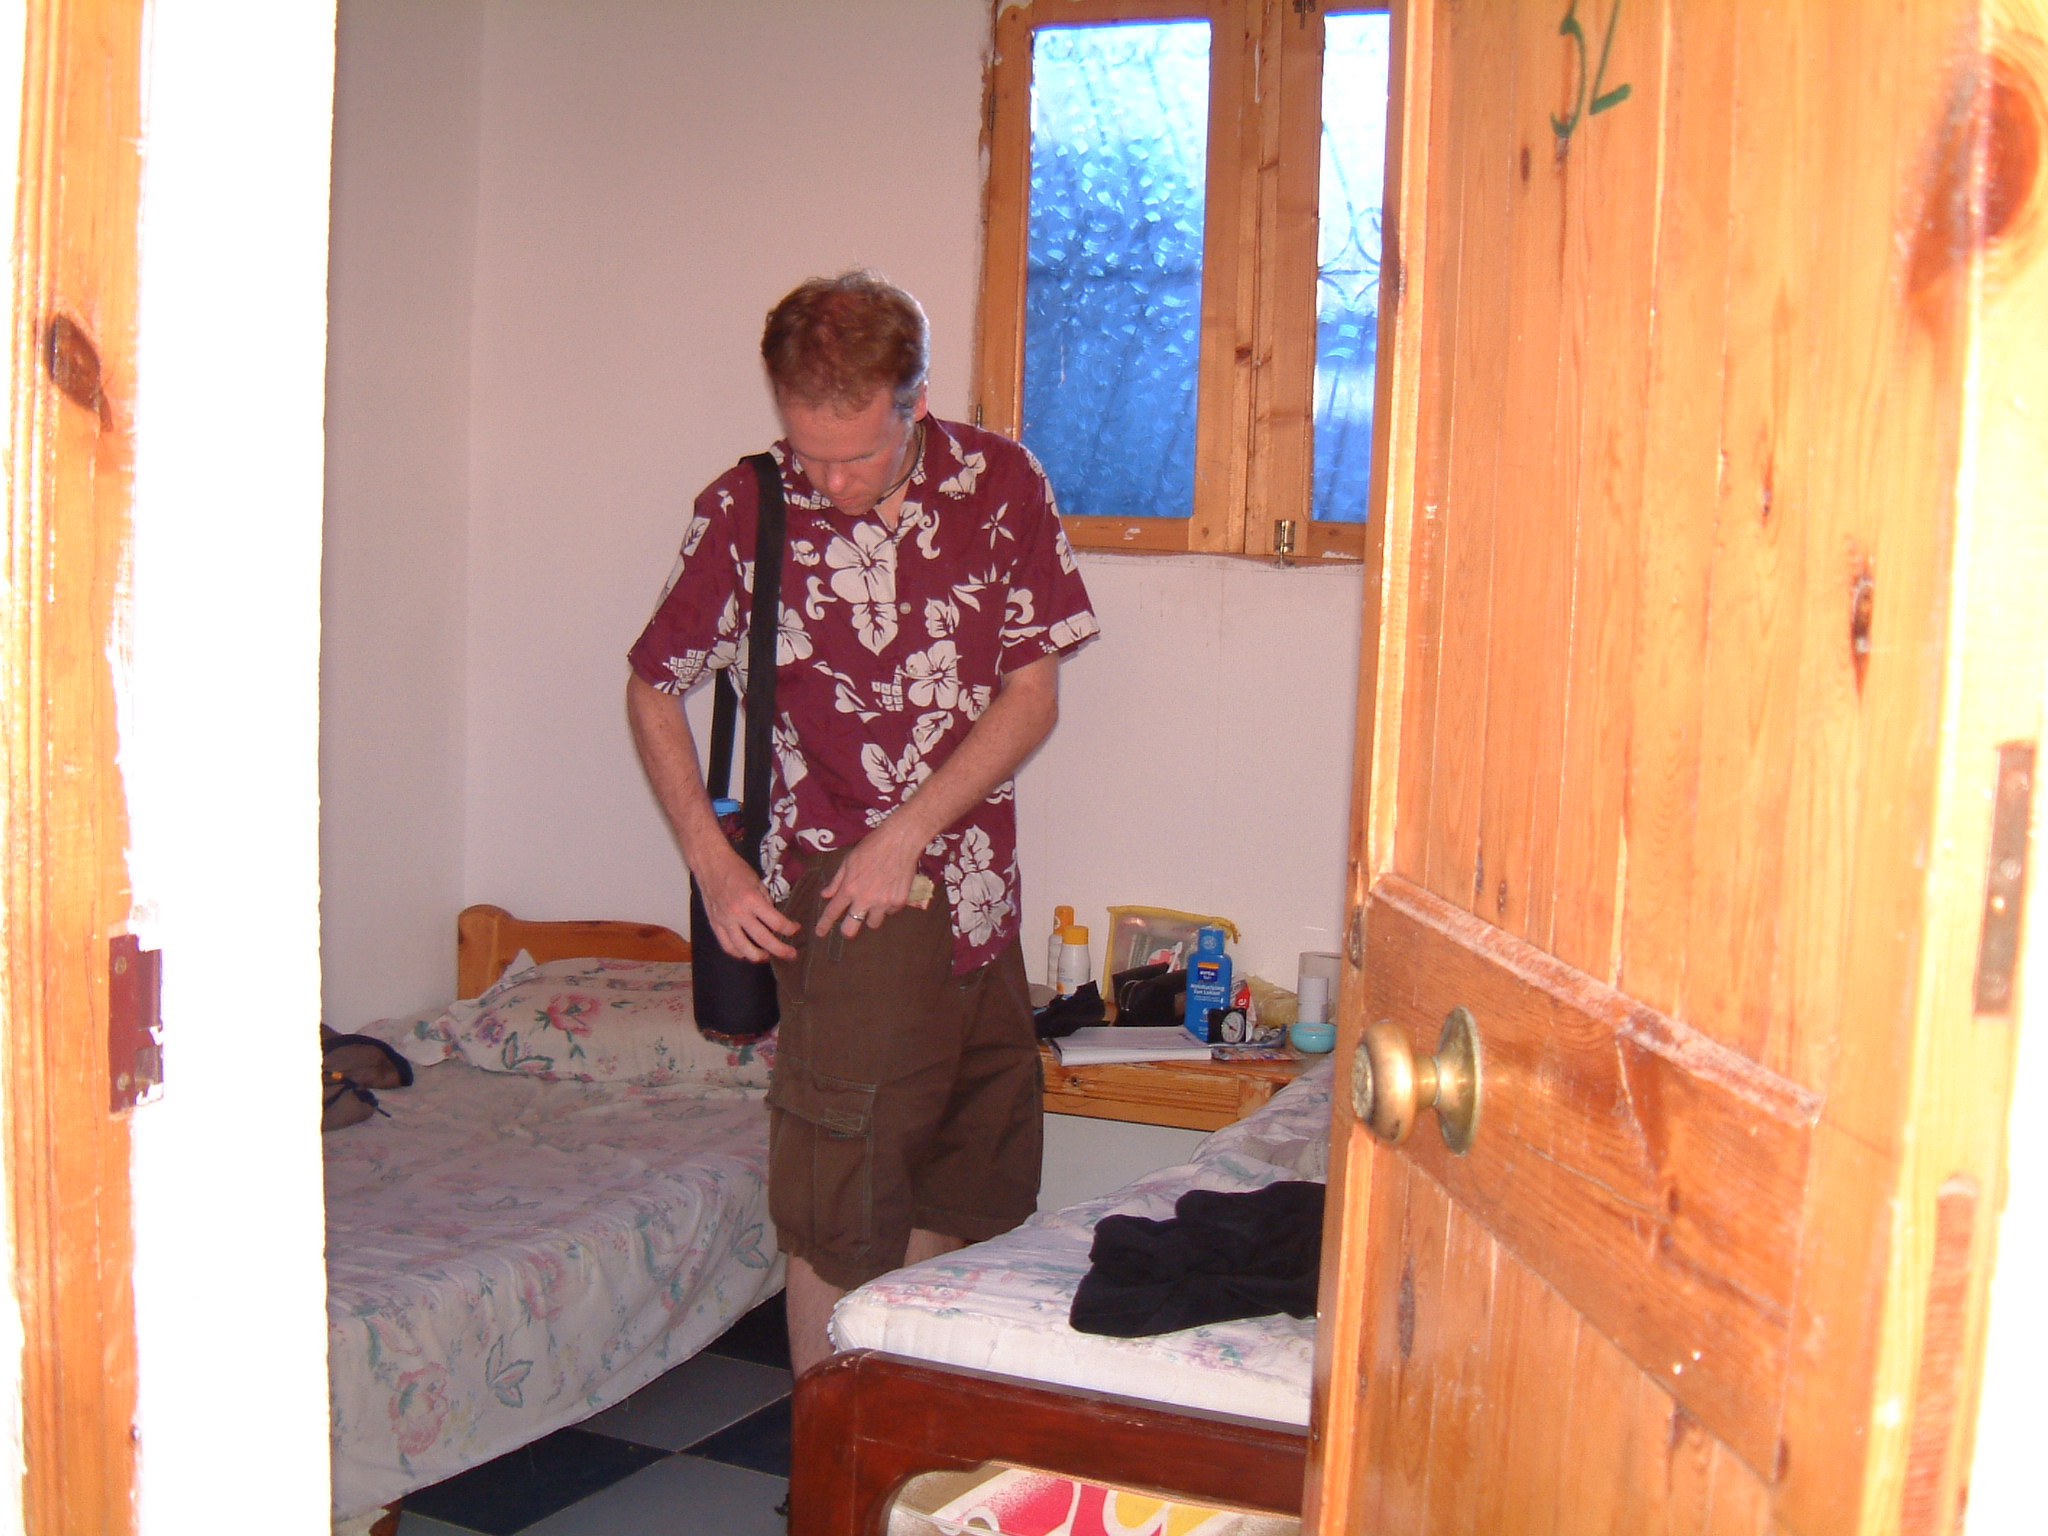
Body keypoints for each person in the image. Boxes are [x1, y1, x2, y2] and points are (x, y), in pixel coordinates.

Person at [625, 271, 1098, 1374]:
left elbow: (1031, 696)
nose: (829, 481)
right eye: (809, 453)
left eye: (856, 455)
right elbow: (652, 687)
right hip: (844, 909)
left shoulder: (1000, 484)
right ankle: (830, 1457)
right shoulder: (745, 510)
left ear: (915, 402)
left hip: (978, 901)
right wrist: (713, 865)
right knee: (842, 1213)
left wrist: (909, 832)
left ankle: (900, 1437)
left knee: (965, 1189)